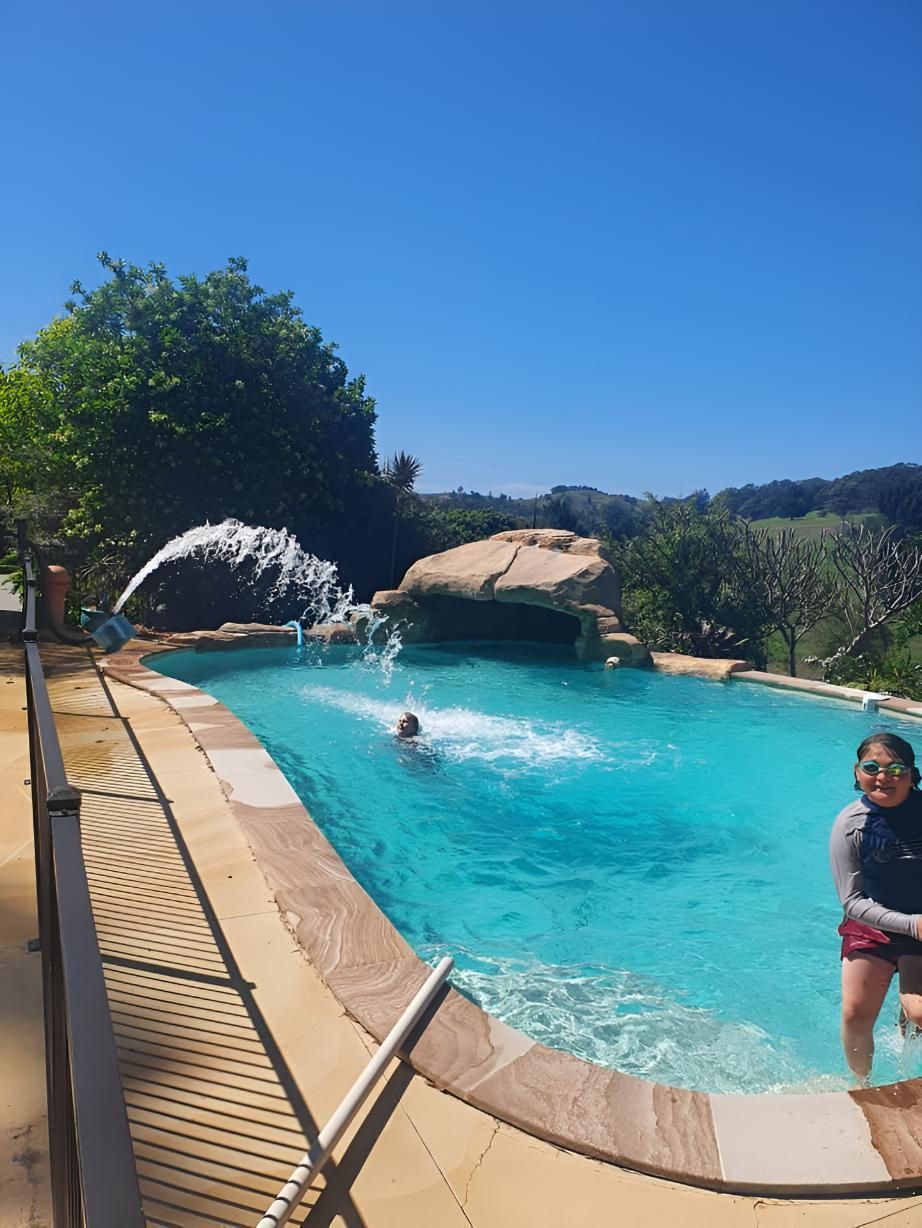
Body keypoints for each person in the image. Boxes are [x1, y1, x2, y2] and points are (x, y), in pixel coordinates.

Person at [830, 732, 922, 1083]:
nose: (883, 777)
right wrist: (912, 924)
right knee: (855, 1014)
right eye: (872, 767)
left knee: (919, 1012)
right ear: (857, 773)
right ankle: (862, 1084)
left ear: (913, 774)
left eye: (896, 768)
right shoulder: (850, 823)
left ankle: (908, 1010)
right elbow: (851, 902)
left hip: (921, 929)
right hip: (873, 925)